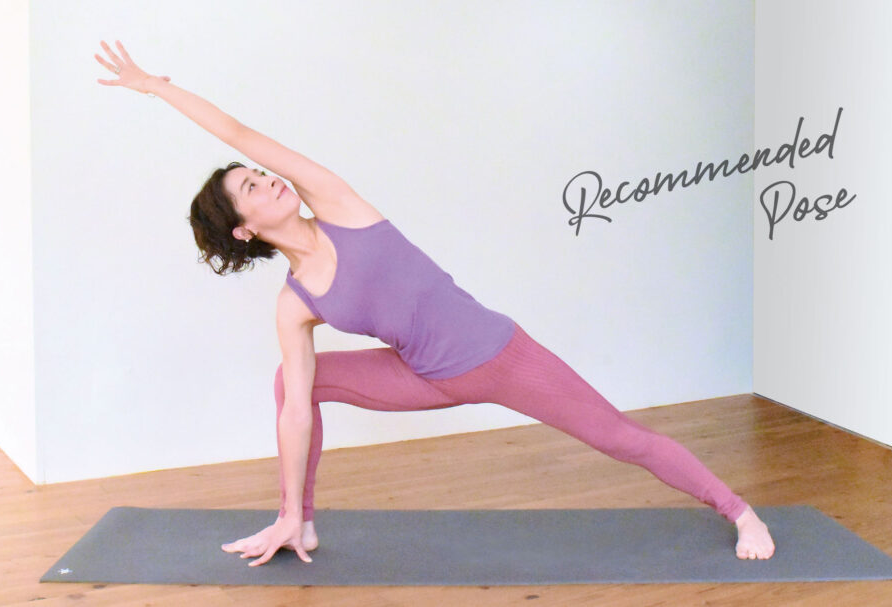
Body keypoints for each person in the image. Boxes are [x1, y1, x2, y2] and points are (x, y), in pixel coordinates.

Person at [94, 40, 776, 568]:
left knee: (620, 438)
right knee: (290, 383)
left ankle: (739, 512)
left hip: (501, 356)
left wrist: (158, 87)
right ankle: (298, 522)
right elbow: (297, 410)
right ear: (244, 229)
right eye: (251, 187)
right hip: (425, 377)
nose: (267, 179)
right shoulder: (294, 303)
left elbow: (239, 132)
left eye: (261, 175)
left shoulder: (335, 202)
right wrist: (285, 508)